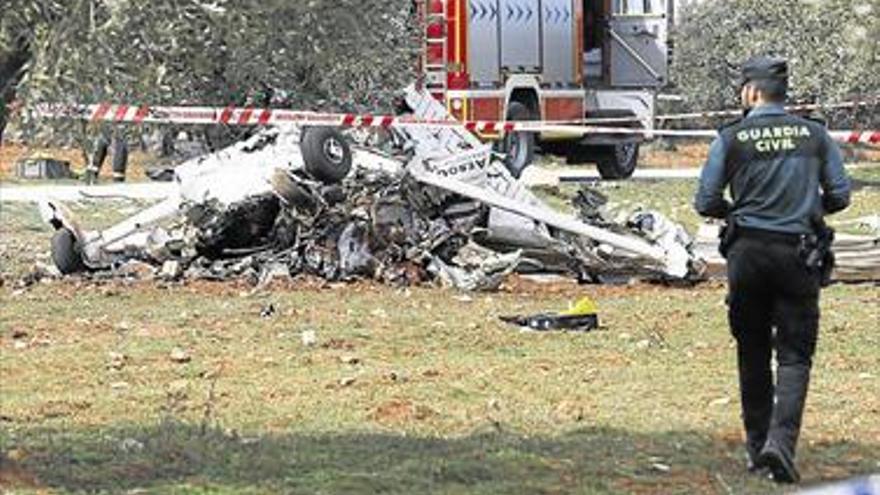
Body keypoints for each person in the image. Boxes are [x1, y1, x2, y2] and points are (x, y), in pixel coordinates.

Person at [694, 56, 852, 484]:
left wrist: (739, 211)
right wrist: (804, 207)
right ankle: (780, 446)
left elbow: (705, 201)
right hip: (798, 255)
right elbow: (840, 195)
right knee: (795, 355)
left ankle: (756, 445)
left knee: (752, 350)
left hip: (747, 254)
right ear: (783, 93)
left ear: (750, 91)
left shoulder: (731, 137)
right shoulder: (815, 135)